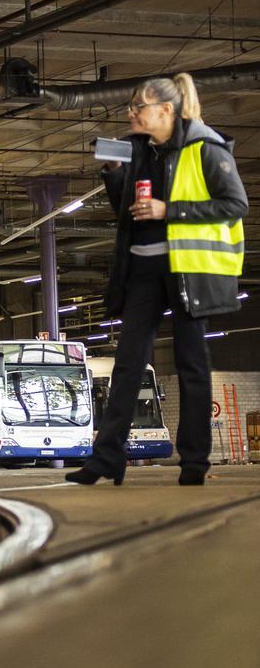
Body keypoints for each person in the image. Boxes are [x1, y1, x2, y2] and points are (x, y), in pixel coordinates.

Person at [70, 73, 247, 487]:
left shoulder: (206, 148)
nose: (131, 114)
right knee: (128, 364)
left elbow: (234, 203)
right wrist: (114, 174)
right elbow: (126, 211)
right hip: (143, 270)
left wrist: (171, 210)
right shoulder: (135, 151)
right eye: (131, 108)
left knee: (192, 365)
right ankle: (107, 458)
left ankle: (194, 462)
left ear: (166, 110)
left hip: (189, 269)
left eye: (139, 108)